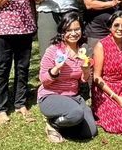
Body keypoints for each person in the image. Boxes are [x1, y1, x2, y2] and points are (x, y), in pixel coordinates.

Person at [38, 12, 97, 143]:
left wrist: (86, 70)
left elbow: (83, 79)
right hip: (50, 95)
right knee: (76, 114)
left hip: (73, 97)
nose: (73, 33)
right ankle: (52, 124)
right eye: (69, 30)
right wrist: (56, 68)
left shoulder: (84, 51)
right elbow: (43, 80)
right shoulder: (53, 50)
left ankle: (65, 121)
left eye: (77, 29)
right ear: (62, 32)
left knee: (90, 132)